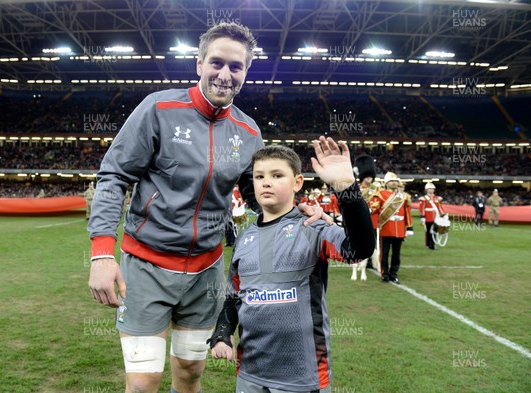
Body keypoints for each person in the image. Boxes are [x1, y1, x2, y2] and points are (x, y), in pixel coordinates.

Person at [87, 22, 328, 393]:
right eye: (216, 63)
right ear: (199, 63)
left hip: (206, 270)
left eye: (236, 67)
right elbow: (114, 175)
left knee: (190, 373)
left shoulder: (249, 132)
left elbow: (257, 196)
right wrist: (101, 254)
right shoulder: (159, 108)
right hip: (147, 265)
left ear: (246, 72)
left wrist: (302, 213)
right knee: (142, 382)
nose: (225, 74)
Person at [208, 139, 375, 393]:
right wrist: (222, 333)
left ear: (297, 182)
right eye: (259, 176)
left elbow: (359, 249)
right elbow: (234, 297)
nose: (266, 182)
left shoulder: (314, 227)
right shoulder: (243, 239)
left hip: (303, 377)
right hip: (250, 374)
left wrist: (346, 189)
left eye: (277, 175)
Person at [369, 172, 413, 284]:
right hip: (387, 227)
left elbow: (407, 212)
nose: (394, 183)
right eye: (391, 181)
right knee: (384, 253)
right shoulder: (381, 194)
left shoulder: (403, 196)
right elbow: (375, 206)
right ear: (386, 183)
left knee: (396, 254)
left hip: (399, 229)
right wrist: (369, 210)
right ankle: (385, 274)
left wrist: (409, 227)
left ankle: (394, 274)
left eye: (395, 181)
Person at [419, 182, 445, 250]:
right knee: (428, 232)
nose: (431, 190)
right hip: (428, 217)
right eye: (429, 189)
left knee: (434, 232)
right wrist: (422, 216)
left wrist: (442, 214)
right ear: (426, 190)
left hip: (436, 217)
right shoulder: (424, 198)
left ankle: (433, 245)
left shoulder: (437, 198)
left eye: (432, 189)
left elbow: (439, 207)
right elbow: (422, 208)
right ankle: (428, 245)